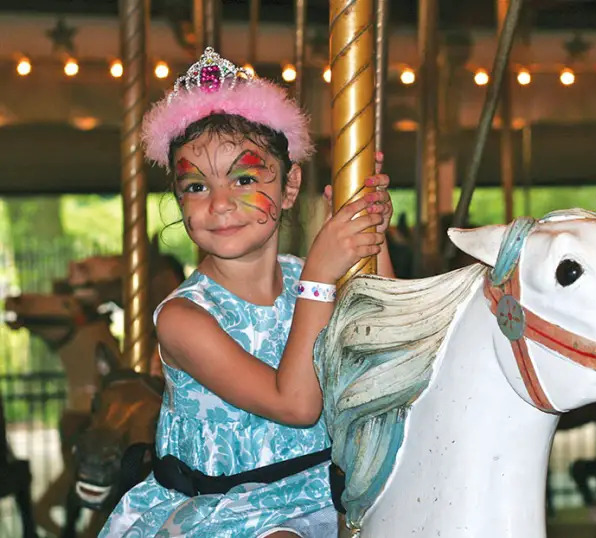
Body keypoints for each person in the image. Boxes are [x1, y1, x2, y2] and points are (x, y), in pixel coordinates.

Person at [100, 47, 394, 538]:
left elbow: (387, 346)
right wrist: (321, 274)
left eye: (244, 178)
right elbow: (296, 406)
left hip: (325, 491)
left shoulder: (308, 279)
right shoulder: (183, 319)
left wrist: (370, 232)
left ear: (290, 185)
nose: (219, 204)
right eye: (195, 186)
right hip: (228, 510)